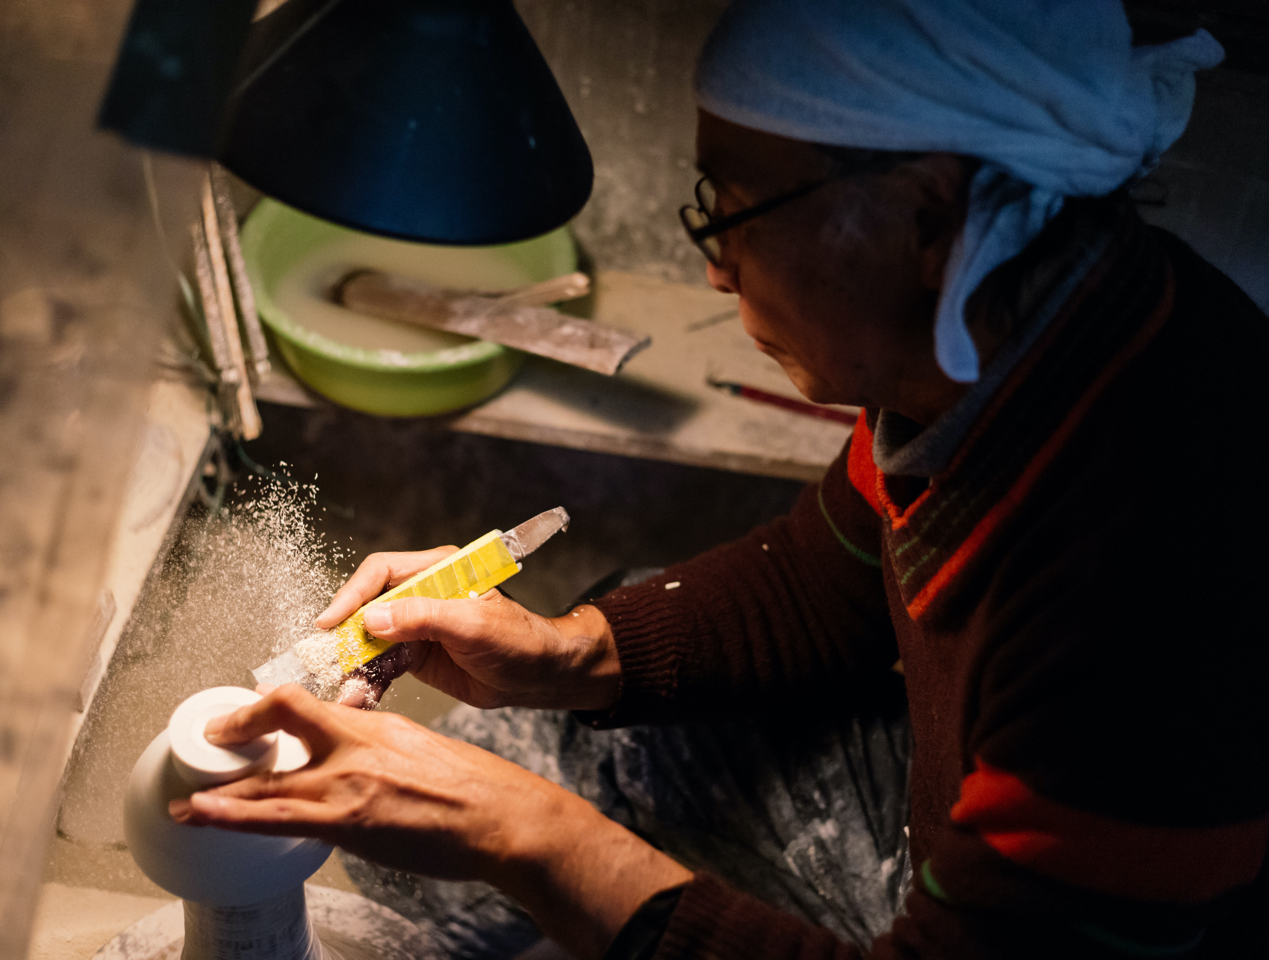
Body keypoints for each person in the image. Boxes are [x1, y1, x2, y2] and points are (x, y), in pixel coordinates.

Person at [170, 1, 1269, 957]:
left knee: (481, 809)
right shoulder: (992, 339)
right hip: (958, 816)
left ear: (927, 217)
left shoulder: (1154, 590)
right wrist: (566, 654)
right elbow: (822, 581)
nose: (711, 266)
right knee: (484, 766)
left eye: (732, 207)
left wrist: (524, 833)